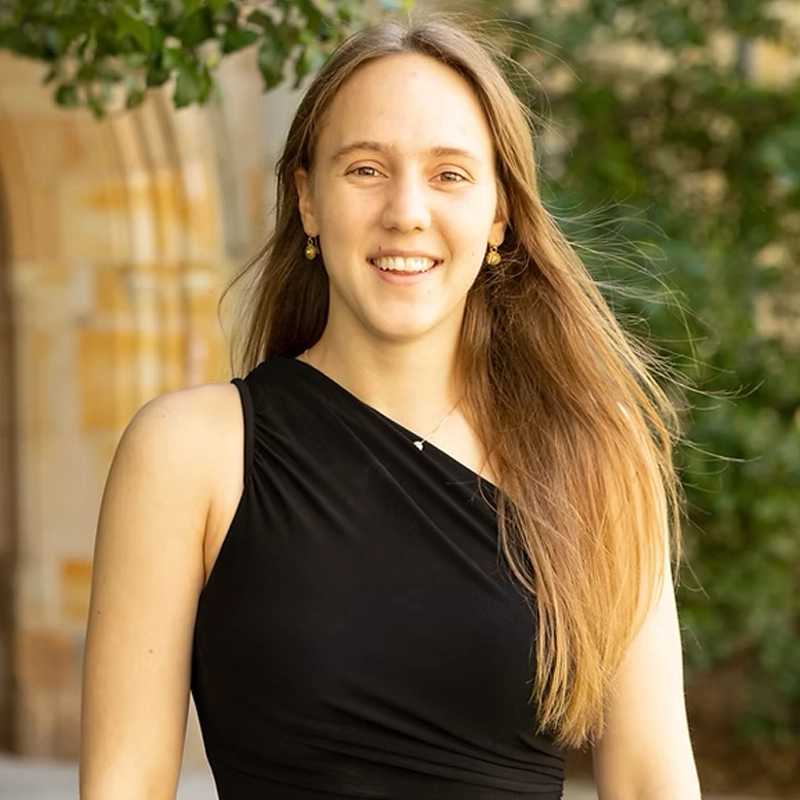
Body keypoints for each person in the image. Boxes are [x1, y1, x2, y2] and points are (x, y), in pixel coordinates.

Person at [80, 15, 702, 800]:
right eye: (366, 169)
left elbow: (653, 783)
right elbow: (122, 787)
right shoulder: (188, 453)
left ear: (500, 215)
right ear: (307, 199)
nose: (407, 211)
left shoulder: (594, 452)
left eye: (450, 174)